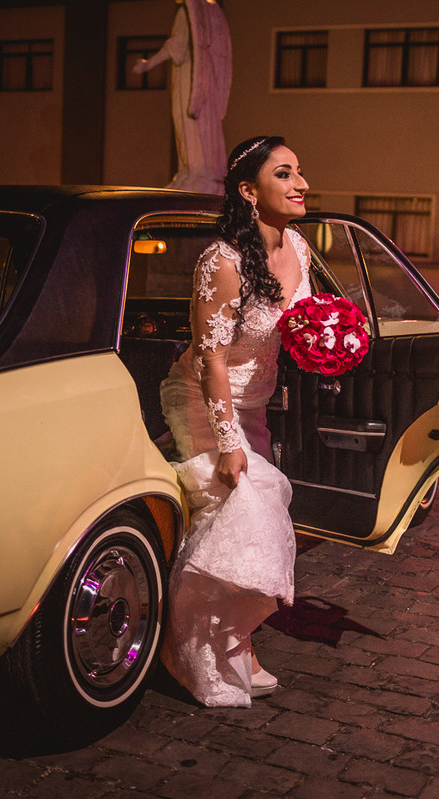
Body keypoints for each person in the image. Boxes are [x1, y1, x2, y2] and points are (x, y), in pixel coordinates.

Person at [159, 136, 311, 706]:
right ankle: (200, 650)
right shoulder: (221, 262)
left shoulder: (298, 246)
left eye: (299, 172)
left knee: (254, 521)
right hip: (205, 401)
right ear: (249, 191)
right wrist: (228, 442)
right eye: (284, 173)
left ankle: (234, 638)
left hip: (257, 404)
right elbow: (210, 360)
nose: (301, 184)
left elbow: (303, 321)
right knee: (239, 511)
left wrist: (330, 339)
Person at [133, 0, 231, 194]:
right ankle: (200, 172)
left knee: (188, 125)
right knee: (203, 127)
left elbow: (176, 47)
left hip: (190, 78)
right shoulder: (214, 12)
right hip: (207, 82)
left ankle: (195, 173)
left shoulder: (189, 11)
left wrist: (147, 64)